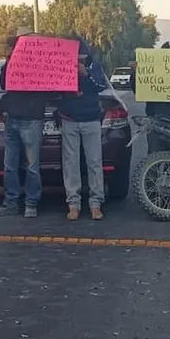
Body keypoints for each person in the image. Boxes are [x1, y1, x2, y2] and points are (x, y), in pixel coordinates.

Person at [0, 35, 48, 218]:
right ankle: (11, 203)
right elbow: (3, 83)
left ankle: (31, 203)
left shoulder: (42, 65)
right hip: (12, 119)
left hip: (32, 120)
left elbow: (51, 86)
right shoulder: (11, 62)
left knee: (31, 166)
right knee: (9, 166)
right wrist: (10, 60)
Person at [58, 39, 109, 221]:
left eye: (80, 58)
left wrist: (86, 75)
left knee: (94, 162)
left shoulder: (95, 66)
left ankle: (96, 203)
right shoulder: (61, 65)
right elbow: (54, 89)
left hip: (91, 120)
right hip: (69, 119)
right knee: (71, 164)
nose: (78, 61)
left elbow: (101, 86)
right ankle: (73, 203)